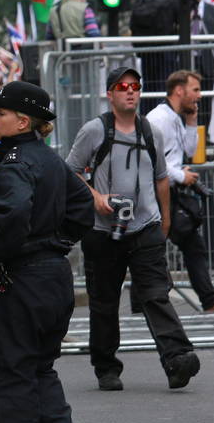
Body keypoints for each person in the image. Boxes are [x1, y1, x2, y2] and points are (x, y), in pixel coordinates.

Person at [0, 82, 95, 423]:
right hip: (53, 274)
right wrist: (56, 242)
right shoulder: (48, 159)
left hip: (22, 277)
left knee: (11, 371)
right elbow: (83, 207)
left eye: (0, 113)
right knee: (39, 366)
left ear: (22, 121)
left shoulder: (14, 163)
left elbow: (12, 214)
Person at [66, 67, 199, 391]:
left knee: (156, 295)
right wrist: (96, 197)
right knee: (104, 301)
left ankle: (178, 358)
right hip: (102, 231)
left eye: (135, 86)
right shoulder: (94, 130)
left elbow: (161, 178)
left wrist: (164, 221)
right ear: (110, 94)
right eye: (122, 86)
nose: (130, 91)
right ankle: (106, 367)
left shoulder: (150, 131)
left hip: (145, 227)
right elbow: (69, 172)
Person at [146, 70, 214, 312]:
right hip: (156, 194)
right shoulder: (159, 118)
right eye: (196, 90)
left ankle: (209, 301)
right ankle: (148, 301)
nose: (200, 95)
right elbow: (150, 158)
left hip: (171, 192)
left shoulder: (176, 117)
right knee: (150, 250)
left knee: (189, 245)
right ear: (180, 90)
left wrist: (192, 121)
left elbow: (190, 149)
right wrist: (181, 175)